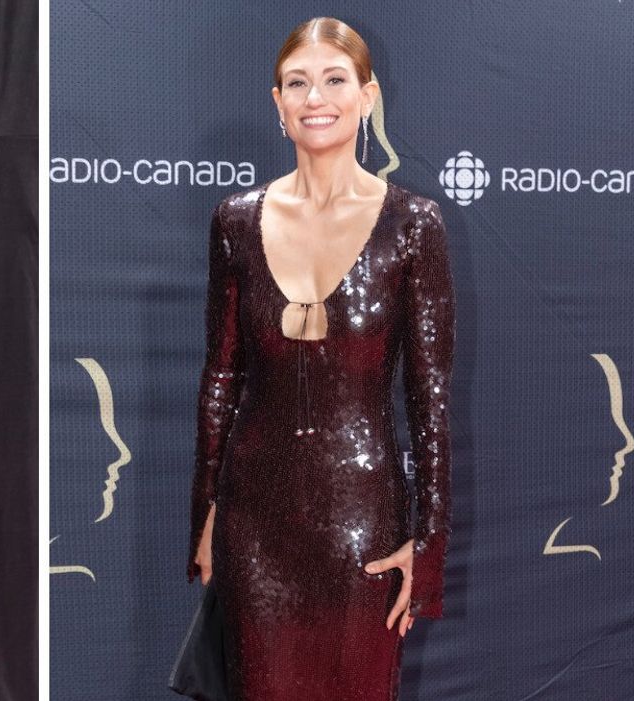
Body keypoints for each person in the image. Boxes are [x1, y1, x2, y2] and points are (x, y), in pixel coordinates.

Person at [187, 17, 453, 700]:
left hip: (364, 524)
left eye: (334, 79)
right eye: (297, 83)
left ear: (367, 96)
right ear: (277, 103)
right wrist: (206, 511)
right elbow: (220, 378)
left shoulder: (413, 225)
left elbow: (429, 399)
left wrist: (428, 543)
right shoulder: (235, 221)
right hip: (253, 526)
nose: (315, 98)